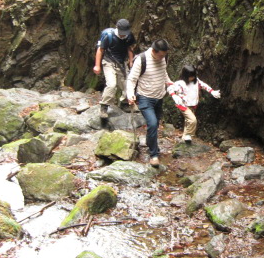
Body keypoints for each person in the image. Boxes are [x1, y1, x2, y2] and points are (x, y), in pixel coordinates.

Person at [125, 39, 172, 167]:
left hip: (159, 96)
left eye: (164, 55)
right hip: (145, 97)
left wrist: (169, 82)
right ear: (153, 51)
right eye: (161, 55)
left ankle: (149, 141)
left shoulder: (163, 57)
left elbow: (163, 72)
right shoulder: (141, 60)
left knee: (155, 124)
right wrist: (130, 94)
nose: (163, 57)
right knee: (152, 123)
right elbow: (132, 79)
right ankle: (154, 154)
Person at [93, 19, 137, 119]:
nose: (122, 35)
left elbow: (130, 48)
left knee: (127, 84)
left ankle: (125, 103)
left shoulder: (129, 36)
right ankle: (104, 106)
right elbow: (100, 50)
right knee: (112, 84)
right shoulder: (108, 35)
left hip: (122, 63)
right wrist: (97, 65)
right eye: (121, 33)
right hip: (109, 62)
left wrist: (131, 61)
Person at [168, 64, 221, 143]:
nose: (192, 78)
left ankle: (184, 139)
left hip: (193, 104)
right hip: (183, 105)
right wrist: (174, 96)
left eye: (193, 76)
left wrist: (212, 91)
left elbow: (204, 85)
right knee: (193, 120)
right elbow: (170, 88)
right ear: (185, 76)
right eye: (190, 76)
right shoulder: (180, 83)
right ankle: (189, 135)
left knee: (188, 121)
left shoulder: (196, 81)